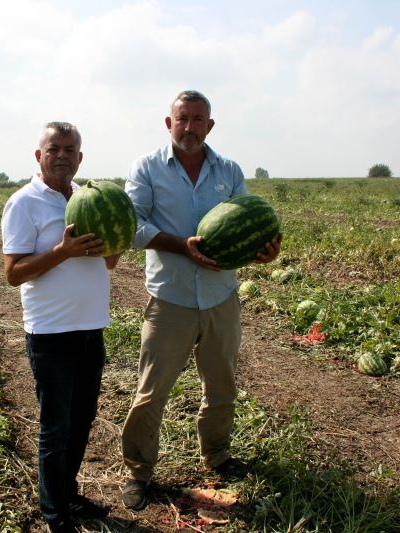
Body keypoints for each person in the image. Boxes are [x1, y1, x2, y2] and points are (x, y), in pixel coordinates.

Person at [120, 90, 282, 510]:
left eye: (198, 120)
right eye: (182, 119)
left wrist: (263, 251)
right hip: (169, 299)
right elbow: (132, 224)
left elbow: (249, 218)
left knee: (222, 385)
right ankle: (138, 473)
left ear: (210, 126)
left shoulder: (228, 170)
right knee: (151, 392)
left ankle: (217, 457)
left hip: (220, 296)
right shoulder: (147, 167)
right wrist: (181, 246)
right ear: (168, 122)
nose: (189, 127)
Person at [2, 121, 118, 533]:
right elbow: (14, 273)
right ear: (39, 155)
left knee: (82, 418)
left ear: (80, 158)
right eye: (55, 148)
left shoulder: (89, 201)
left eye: (71, 149)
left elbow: (108, 263)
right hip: (50, 332)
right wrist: (63, 251)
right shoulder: (24, 203)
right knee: (55, 425)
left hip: (92, 326)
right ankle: (55, 515)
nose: (63, 155)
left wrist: (113, 246)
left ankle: (68, 493)